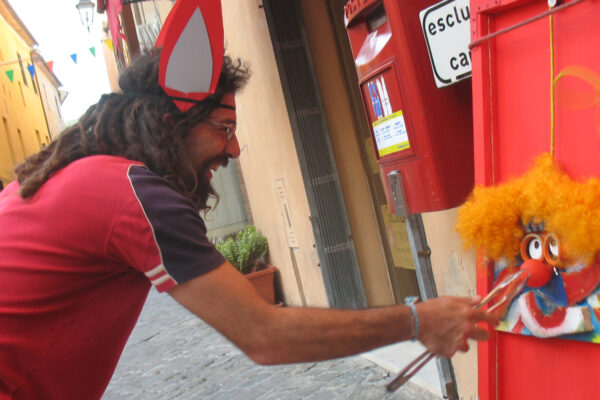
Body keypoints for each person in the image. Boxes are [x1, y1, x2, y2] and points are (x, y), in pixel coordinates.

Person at [0, 50, 497, 399]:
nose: (234, 149)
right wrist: (419, 320)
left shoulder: (79, 176)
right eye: (223, 129)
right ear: (172, 124)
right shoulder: (134, 193)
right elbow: (265, 335)